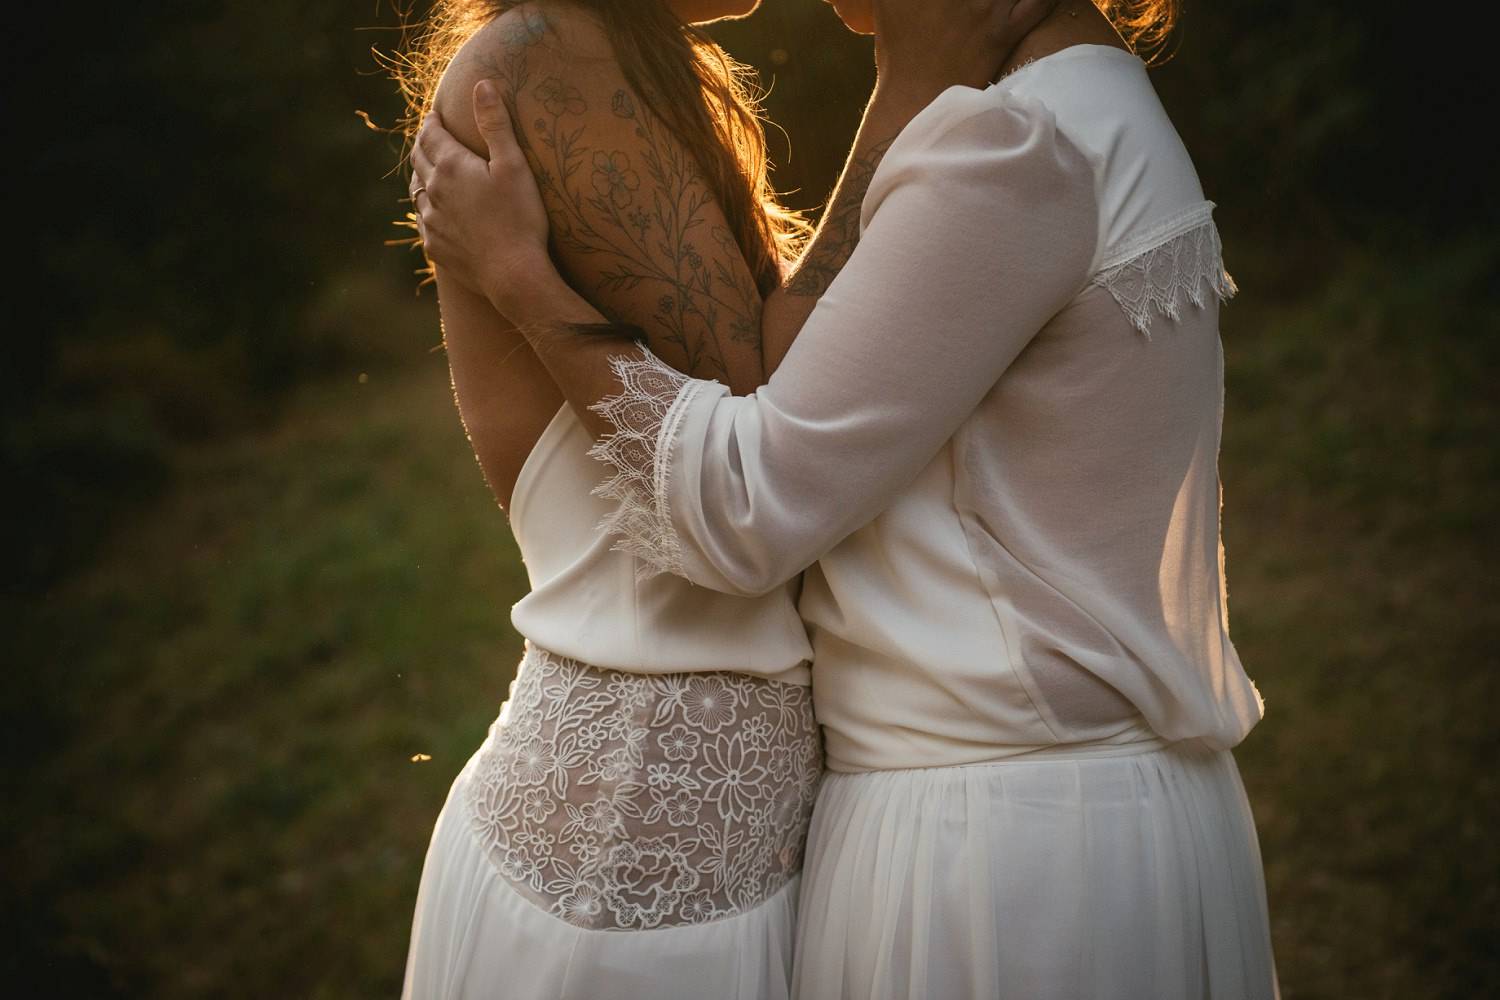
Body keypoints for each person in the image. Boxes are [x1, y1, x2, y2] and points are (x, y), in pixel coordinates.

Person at [410, 0, 1283, 997]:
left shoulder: (1011, 135)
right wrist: (909, 95)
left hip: (976, 851)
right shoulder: (553, 62)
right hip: (620, 872)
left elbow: (757, 475)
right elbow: (780, 391)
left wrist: (526, 280)